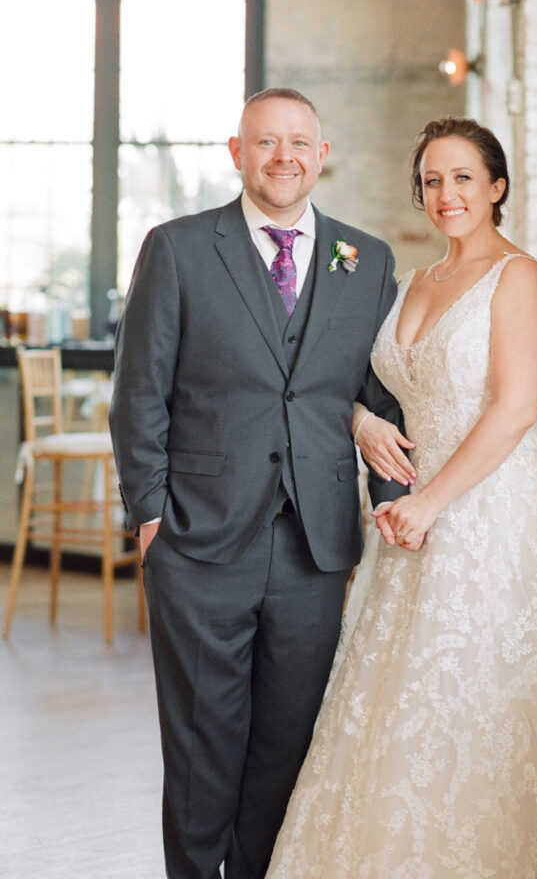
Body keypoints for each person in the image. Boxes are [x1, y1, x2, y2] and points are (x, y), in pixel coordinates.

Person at [266, 117, 537, 878]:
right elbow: (353, 383)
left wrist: (429, 502)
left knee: (476, 700)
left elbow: (515, 410)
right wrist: (359, 423)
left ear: (497, 187)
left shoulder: (520, 277)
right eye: (433, 181)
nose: (446, 194)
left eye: (463, 178)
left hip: (493, 509)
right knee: (397, 703)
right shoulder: (408, 281)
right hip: (411, 516)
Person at [108, 88, 410, 879]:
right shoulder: (177, 248)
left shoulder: (364, 258)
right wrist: (150, 517)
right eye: (265, 143)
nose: (283, 157)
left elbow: (379, 399)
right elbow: (138, 391)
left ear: (323, 152)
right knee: (204, 741)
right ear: (237, 153)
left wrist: (390, 507)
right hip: (198, 538)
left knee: (289, 739)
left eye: (299, 142)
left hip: (315, 547)